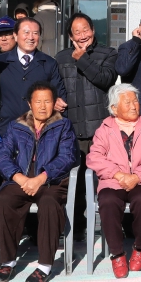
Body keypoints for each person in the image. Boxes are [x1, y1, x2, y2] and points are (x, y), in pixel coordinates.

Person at [0, 81, 77, 282]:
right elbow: (2, 155)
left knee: (48, 203)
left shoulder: (62, 125)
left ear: (54, 103)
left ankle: (45, 266)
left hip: (50, 181)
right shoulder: (17, 126)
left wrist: (41, 178)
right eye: (37, 101)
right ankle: (8, 261)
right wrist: (19, 177)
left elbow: (67, 157)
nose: (42, 106)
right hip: (21, 178)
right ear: (30, 104)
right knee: (3, 200)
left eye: (47, 101)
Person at [86, 83, 141, 278]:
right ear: (114, 108)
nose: (133, 105)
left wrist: (136, 176)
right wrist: (118, 174)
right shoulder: (105, 128)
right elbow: (94, 157)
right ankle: (117, 253)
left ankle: (140, 246)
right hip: (114, 180)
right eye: (127, 102)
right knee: (108, 201)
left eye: (135, 100)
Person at [56, 12, 118, 236]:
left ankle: (110, 225)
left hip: (101, 131)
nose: (82, 35)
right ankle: (78, 227)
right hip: (73, 128)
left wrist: (82, 58)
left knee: (107, 180)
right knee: (77, 182)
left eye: (85, 30)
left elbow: (105, 79)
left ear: (93, 30)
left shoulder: (108, 53)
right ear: (70, 35)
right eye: (76, 32)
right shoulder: (61, 57)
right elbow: (56, 85)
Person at [0, 16, 66, 131]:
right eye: (26, 32)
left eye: (35, 33)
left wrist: (56, 100)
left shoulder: (49, 63)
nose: (31, 37)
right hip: (7, 128)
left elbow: (59, 94)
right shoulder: (0, 61)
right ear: (15, 35)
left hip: (38, 129)